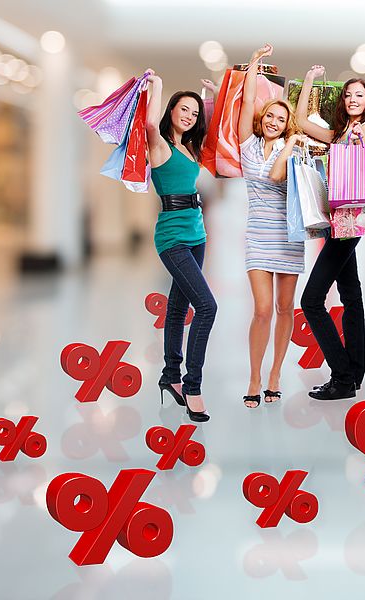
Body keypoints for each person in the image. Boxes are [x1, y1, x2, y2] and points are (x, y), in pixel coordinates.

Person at [295, 65, 365, 400]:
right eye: (348, 95)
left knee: (311, 299)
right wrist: (311, 80)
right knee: (351, 295)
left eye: (359, 95)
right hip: (338, 221)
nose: (353, 99)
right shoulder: (340, 132)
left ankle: (342, 375)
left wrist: (356, 141)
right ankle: (354, 374)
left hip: (351, 221)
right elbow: (301, 122)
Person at [237, 44, 308, 408]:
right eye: (270, 117)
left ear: (286, 125)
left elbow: (282, 177)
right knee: (262, 309)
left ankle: (276, 373)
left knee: (284, 308)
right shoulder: (247, 145)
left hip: (288, 234)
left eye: (281, 120)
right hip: (258, 235)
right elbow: (247, 102)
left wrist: (291, 142)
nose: (273, 122)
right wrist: (253, 65)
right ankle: (254, 376)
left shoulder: (291, 148)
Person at [146, 68, 214, 422]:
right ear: (170, 110)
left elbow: (217, 134)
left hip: (197, 234)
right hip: (171, 236)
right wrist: (158, 84)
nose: (188, 116)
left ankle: (170, 375)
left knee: (178, 308)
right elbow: (146, 124)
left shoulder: (189, 148)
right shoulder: (158, 145)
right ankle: (193, 384)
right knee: (207, 307)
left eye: (194, 112)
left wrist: (212, 97)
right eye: (183, 109)